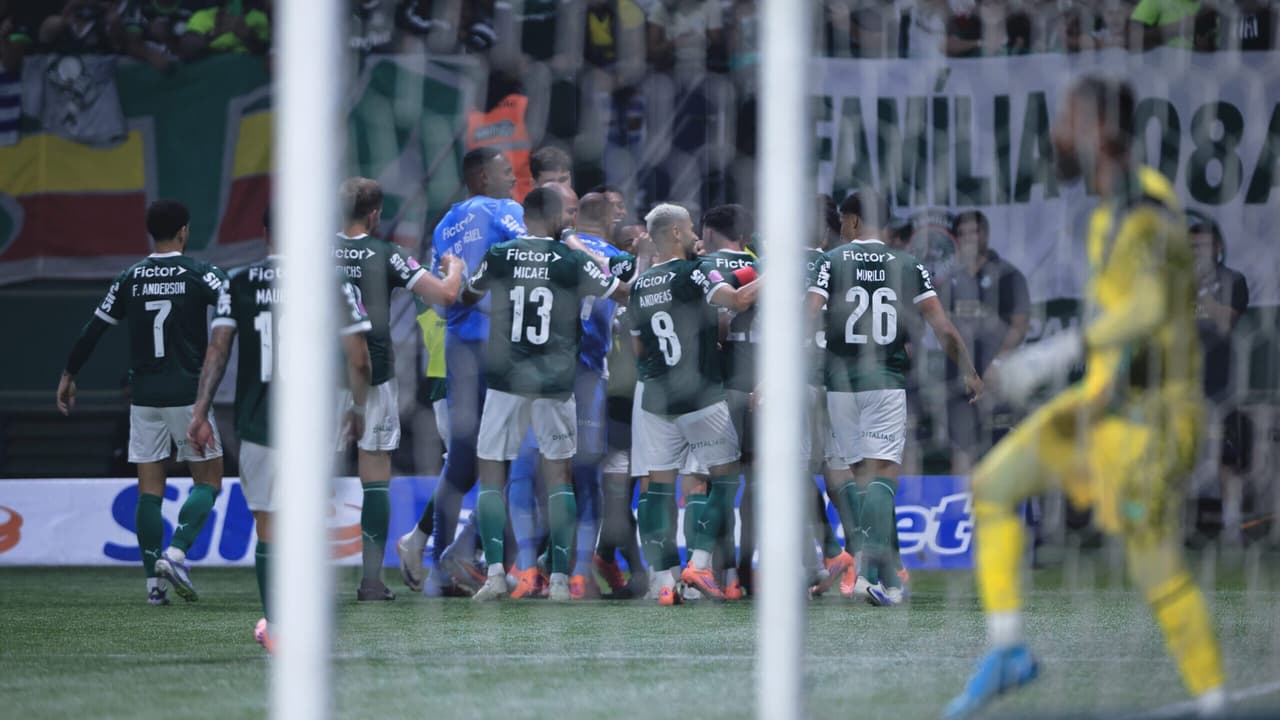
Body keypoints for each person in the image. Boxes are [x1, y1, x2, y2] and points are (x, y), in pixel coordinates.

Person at [944, 76, 1226, 719]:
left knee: (1155, 568)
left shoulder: (1145, 211)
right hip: (1099, 404)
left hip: (1153, 417)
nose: (1056, 135)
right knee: (990, 488)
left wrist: (1053, 354)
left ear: (1100, 130)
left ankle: (1214, 700)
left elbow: (1153, 304)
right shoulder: (1105, 212)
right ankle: (1009, 649)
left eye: (1067, 120)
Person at [185, 207, 374, 651]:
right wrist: (359, 407)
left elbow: (218, 350)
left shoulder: (239, 281)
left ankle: (278, 627)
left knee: (269, 526)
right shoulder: (333, 283)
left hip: (260, 420)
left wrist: (199, 411)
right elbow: (360, 358)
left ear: (265, 232)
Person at [805, 189, 981, 607]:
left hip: (841, 386)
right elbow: (944, 328)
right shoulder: (908, 265)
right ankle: (870, 575)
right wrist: (970, 373)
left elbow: (807, 315)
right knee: (883, 476)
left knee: (862, 479)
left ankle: (882, 576)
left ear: (850, 222)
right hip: (885, 381)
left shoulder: (829, 261)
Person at [56, 200, 229, 605]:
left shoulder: (129, 278)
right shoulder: (202, 273)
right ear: (184, 231)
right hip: (189, 397)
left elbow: (92, 330)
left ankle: (154, 585)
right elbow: (234, 302)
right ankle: (177, 551)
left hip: (144, 399)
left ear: (152, 232)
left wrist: (69, 373)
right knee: (209, 480)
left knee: (149, 490)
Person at [461, 186, 630, 602]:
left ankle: (498, 574)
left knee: (491, 475)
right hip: (556, 381)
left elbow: (469, 292)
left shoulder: (501, 254)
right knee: (560, 479)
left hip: (506, 379)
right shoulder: (572, 259)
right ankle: (558, 579)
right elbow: (618, 290)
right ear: (557, 218)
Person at [332, 177, 465, 602]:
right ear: (374, 215)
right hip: (373, 375)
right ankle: (371, 581)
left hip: (316, 381)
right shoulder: (387, 253)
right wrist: (455, 268)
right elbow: (445, 295)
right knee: (374, 479)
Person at [403, 148, 526, 594]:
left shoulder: (445, 223)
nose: (513, 179)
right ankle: (496, 561)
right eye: (505, 173)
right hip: (500, 339)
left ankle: (437, 560)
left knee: (463, 455)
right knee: (514, 454)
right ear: (482, 177)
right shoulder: (503, 210)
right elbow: (532, 250)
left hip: (459, 343)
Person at [628, 203, 760, 605]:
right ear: (674, 234)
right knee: (724, 476)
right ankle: (700, 563)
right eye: (688, 229)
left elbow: (637, 346)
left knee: (657, 488)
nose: (695, 236)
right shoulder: (695, 272)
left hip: (656, 397)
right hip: (701, 394)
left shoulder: (639, 284)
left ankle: (664, 581)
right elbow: (736, 301)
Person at [697, 203, 757, 598]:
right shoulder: (762, 264)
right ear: (746, 237)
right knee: (756, 484)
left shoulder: (703, 267)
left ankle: (721, 571)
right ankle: (746, 573)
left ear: (708, 231)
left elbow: (716, 320)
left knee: (711, 482)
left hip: (715, 384)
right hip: (763, 384)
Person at [940, 210, 1030, 473]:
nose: (968, 238)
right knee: (961, 452)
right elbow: (941, 325)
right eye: (962, 233)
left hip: (997, 381)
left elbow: (1020, 324)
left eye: (974, 231)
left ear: (986, 235)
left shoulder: (1008, 275)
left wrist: (998, 363)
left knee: (1002, 452)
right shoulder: (948, 281)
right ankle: (963, 511)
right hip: (959, 382)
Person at [1189, 213, 1251, 541]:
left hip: (1221, 382)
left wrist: (1201, 293)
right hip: (1182, 383)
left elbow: (1227, 323)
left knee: (1227, 455)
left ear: (1216, 247)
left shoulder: (1233, 280)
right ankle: (1178, 526)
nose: (1196, 250)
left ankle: (1231, 524)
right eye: (1191, 245)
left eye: (1202, 244)